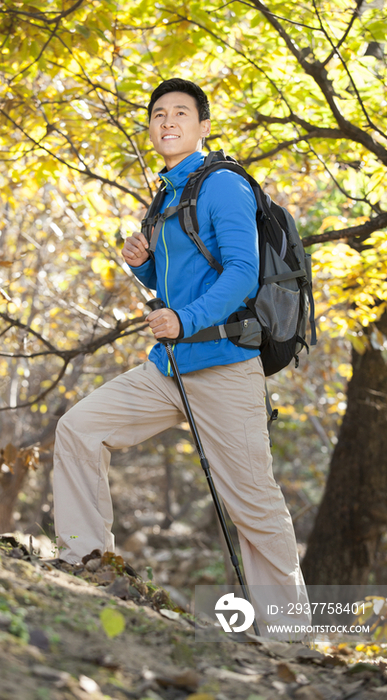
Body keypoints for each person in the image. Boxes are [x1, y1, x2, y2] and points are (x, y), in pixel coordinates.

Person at [53, 78, 310, 636]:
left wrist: (185, 319)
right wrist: (144, 266)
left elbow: (243, 272)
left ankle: (293, 638)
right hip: (169, 368)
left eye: (181, 113)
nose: (167, 121)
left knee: (253, 506)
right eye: (159, 114)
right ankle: (84, 562)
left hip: (223, 366)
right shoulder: (168, 193)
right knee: (78, 429)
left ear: (203, 125)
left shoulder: (221, 185)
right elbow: (187, 279)